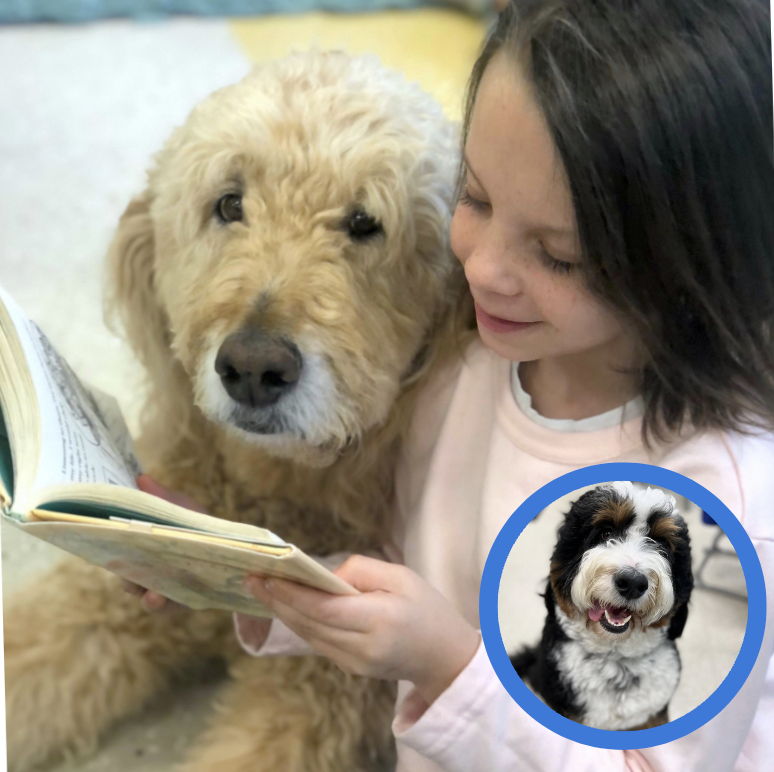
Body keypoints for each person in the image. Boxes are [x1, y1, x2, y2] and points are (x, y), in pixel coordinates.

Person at [127, 1, 774, 769]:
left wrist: (447, 666)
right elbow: (400, 576)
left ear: (690, 269)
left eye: (557, 254)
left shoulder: (723, 508)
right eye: (476, 200)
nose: (481, 269)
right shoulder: (462, 374)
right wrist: (233, 567)